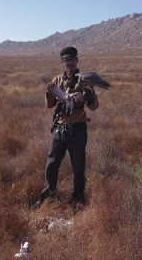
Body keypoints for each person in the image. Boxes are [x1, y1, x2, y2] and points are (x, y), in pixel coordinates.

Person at [32, 46, 98, 209]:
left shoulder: (85, 81)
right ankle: (47, 197)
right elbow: (49, 105)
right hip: (59, 129)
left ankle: (78, 199)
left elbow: (94, 107)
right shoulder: (56, 81)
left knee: (78, 165)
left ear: (77, 60)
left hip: (77, 129)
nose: (69, 63)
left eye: (72, 60)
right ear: (63, 62)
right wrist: (49, 93)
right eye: (66, 60)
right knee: (52, 164)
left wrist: (89, 97)